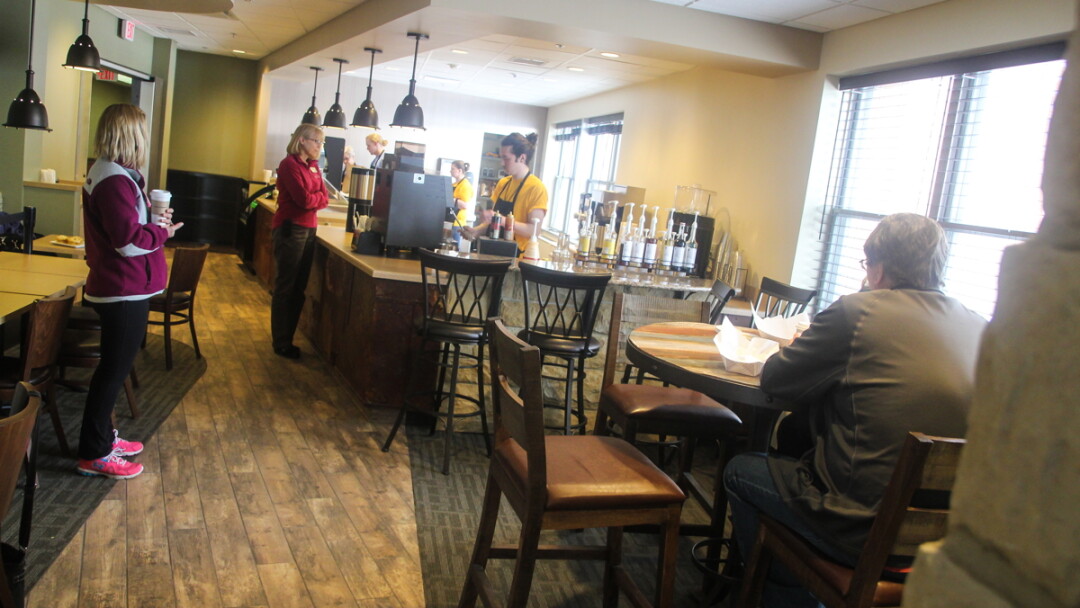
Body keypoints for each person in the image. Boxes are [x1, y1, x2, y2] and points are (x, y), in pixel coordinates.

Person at [723, 213, 987, 608]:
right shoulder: (981, 327)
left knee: (742, 471)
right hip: (948, 540)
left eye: (867, 265)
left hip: (860, 529)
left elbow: (776, 381)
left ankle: (778, 597)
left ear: (877, 268)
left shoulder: (857, 312)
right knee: (799, 440)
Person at [77, 103, 184, 480]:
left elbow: (130, 230)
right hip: (122, 290)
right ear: (132, 134)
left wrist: (153, 224)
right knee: (112, 372)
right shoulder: (113, 180)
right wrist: (161, 233)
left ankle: (104, 437)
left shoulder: (117, 175)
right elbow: (127, 242)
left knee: (114, 369)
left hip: (124, 288)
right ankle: (94, 452)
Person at [271, 124, 329, 359]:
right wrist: (316, 198)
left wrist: (315, 198)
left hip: (309, 229)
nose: (319, 146)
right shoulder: (289, 165)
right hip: (291, 229)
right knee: (286, 287)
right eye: (317, 141)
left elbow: (324, 197)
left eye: (321, 142)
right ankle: (281, 341)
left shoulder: (314, 167)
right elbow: (304, 200)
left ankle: (289, 337)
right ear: (302, 140)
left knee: (299, 288)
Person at [461, 133, 547, 253]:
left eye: (506, 158)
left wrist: (502, 220)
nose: (502, 163)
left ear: (522, 158)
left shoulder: (536, 188)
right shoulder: (503, 183)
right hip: (493, 251)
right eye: (501, 157)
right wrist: (476, 231)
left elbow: (534, 230)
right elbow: (494, 223)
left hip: (517, 258)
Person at [450, 160, 474, 228]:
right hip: (450, 219)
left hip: (458, 222)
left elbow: (464, 205)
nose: (450, 171)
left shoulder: (465, 185)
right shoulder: (454, 184)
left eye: (453, 169)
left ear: (460, 171)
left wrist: (450, 199)